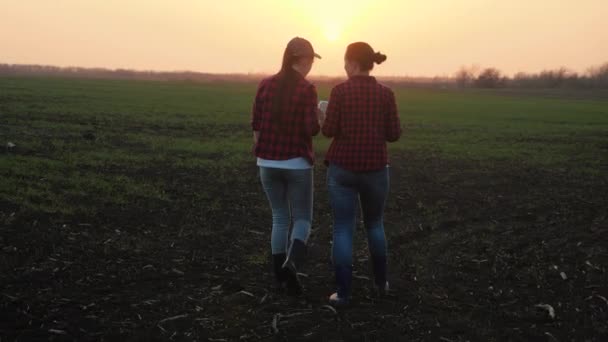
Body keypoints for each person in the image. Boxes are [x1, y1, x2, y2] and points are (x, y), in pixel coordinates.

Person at [321, 42, 402, 305]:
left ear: (353, 63)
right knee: (375, 225)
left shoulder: (339, 92)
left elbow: (328, 131)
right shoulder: (386, 94)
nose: (344, 67)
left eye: (345, 62)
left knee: (343, 229)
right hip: (376, 169)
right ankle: (381, 284)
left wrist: (324, 116)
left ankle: (343, 293)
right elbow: (393, 134)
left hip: (342, 169)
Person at [251, 37, 323, 296]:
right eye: (311, 60)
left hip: (267, 163)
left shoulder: (265, 85)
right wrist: (319, 116)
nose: (311, 65)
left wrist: (263, 153)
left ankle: (279, 275)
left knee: (279, 217)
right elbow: (311, 129)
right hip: (296, 164)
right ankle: (292, 261)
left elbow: (256, 127)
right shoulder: (307, 89)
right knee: (302, 218)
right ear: (301, 60)